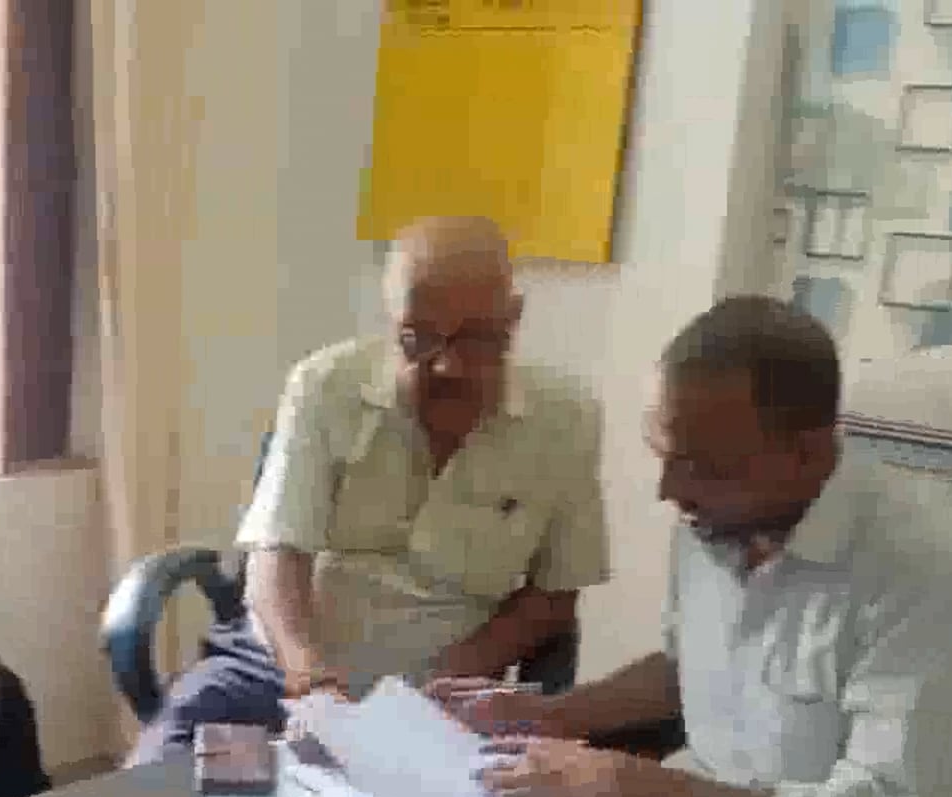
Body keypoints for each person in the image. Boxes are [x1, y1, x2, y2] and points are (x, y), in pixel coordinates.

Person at [441, 295, 952, 797]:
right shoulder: (715, 518)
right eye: (663, 454)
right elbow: (688, 667)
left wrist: (618, 779)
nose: (670, 491)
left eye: (702, 467)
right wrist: (552, 715)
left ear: (808, 453)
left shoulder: (935, 576)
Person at [126, 216, 611, 766]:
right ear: (390, 319)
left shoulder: (566, 421)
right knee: (161, 784)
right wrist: (308, 676)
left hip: (443, 694)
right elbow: (277, 555)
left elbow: (553, 595)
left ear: (514, 317)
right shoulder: (325, 386)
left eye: (476, 338)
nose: (447, 365)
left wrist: (447, 677)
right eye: (419, 338)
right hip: (279, 674)